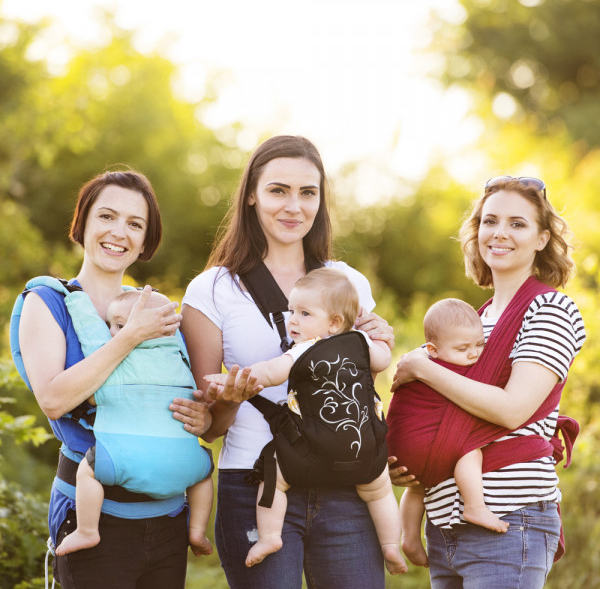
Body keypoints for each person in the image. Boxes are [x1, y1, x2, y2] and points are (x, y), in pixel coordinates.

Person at [181, 135, 398, 589]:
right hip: (257, 482)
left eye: (308, 192)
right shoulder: (212, 289)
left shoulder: (347, 281)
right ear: (252, 196)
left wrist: (381, 348)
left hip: (346, 481)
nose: (293, 206)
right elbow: (208, 425)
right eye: (278, 190)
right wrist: (234, 399)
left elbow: (361, 380)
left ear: (320, 199)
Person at [11, 169, 217, 589]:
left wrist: (205, 416)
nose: (118, 232)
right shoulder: (48, 302)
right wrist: (131, 336)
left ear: (145, 241)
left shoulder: (158, 310)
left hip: (167, 517)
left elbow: (184, 399)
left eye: (134, 224)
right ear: (83, 222)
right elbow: (53, 399)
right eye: (106, 216)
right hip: (93, 515)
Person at [390, 176, 586, 588]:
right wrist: (412, 461)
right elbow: (446, 415)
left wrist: (423, 368)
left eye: (518, 224)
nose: (499, 233)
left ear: (541, 239)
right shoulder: (472, 323)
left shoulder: (549, 309)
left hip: (508, 517)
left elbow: (512, 409)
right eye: (490, 220)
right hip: (446, 524)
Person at [205, 268, 406, 574]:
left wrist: (229, 378)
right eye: (291, 311)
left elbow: (269, 373)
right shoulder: (362, 344)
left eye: (304, 313)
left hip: (315, 450)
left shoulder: (302, 350)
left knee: (272, 472)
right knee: (379, 492)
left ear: (335, 321)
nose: (293, 320)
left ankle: (270, 536)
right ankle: (391, 545)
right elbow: (383, 360)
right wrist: (377, 339)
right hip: (365, 450)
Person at [55, 289, 214, 558]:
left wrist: (75, 296)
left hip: (124, 460)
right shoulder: (178, 358)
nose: (111, 332)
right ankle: (197, 530)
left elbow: (89, 333)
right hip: (183, 465)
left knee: (87, 471)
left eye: (118, 325)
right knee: (204, 473)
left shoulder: (118, 360)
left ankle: (86, 530)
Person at [396, 298, 508, 569]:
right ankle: (475, 505)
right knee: (469, 450)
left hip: (402, 447)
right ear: (432, 349)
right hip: (421, 439)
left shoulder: (420, 360)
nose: (473, 354)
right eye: (462, 348)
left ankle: (409, 537)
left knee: (417, 485)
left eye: (480, 345)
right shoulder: (444, 369)